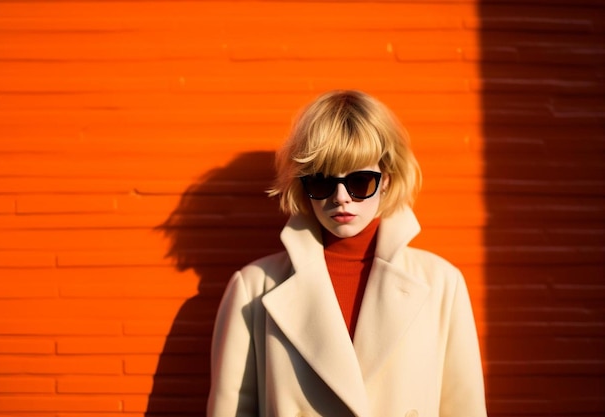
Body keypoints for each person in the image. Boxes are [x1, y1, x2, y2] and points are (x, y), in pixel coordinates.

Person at [206, 90, 487, 417]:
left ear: (386, 180)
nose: (341, 198)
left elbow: (463, 409)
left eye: (360, 181)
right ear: (303, 185)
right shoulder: (254, 288)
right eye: (323, 182)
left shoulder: (442, 284)